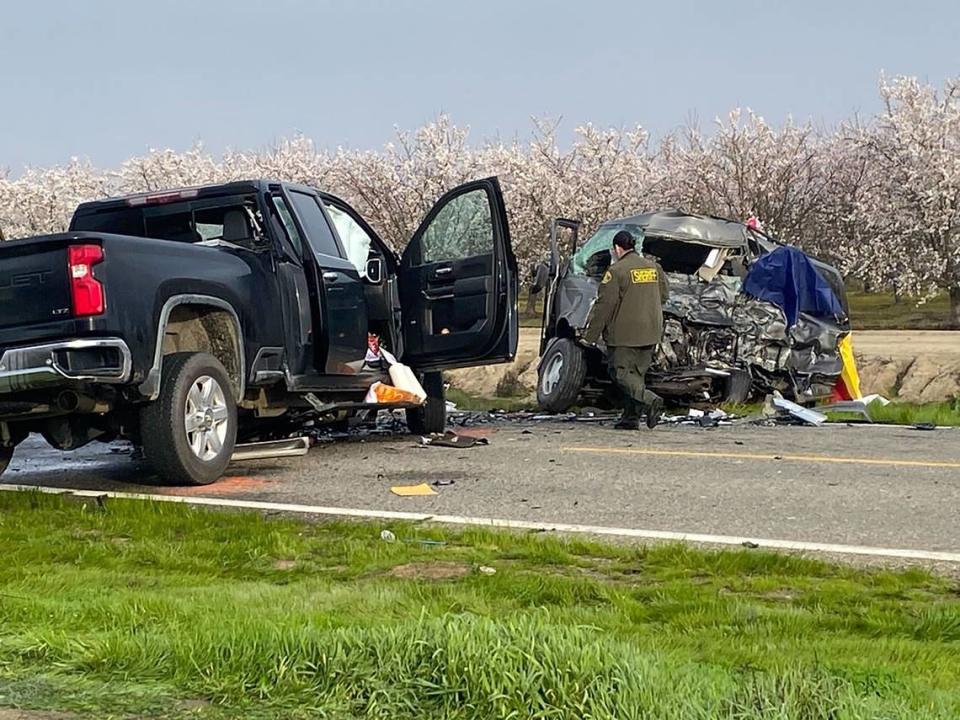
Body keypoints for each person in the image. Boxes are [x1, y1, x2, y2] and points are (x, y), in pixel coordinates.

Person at [581, 230, 668, 429]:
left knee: (621, 374)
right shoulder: (654, 268)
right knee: (637, 375)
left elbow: (604, 306)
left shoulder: (617, 271)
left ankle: (650, 400)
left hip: (625, 333)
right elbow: (663, 296)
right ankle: (631, 418)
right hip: (651, 330)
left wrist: (590, 337)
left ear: (617, 248)